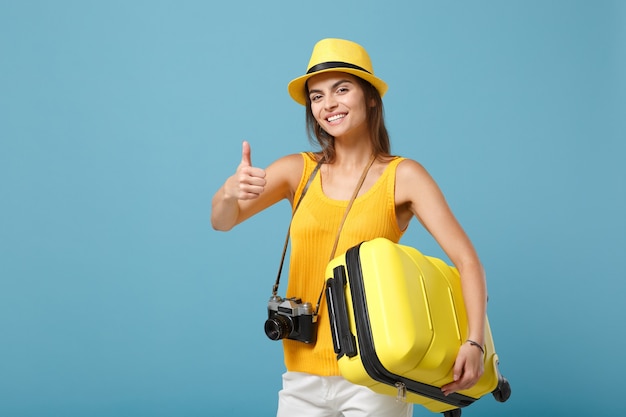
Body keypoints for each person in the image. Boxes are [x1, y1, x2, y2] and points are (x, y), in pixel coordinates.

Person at [211, 38, 486, 417]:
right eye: (317, 95)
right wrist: (228, 191)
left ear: (370, 97)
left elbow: (467, 262)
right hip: (301, 377)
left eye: (342, 89)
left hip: (374, 376)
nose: (329, 104)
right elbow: (222, 222)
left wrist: (475, 342)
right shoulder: (298, 170)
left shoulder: (403, 176)